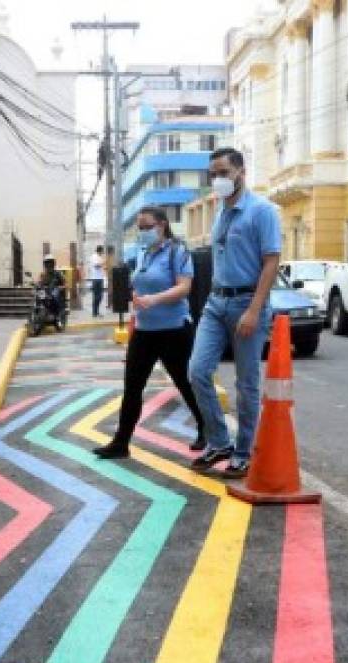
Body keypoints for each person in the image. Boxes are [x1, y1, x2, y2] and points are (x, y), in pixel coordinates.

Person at [187, 147, 282, 479]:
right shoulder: (220, 212)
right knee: (197, 371)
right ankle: (218, 442)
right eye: (212, 174)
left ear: (241, 172)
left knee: (246, 384)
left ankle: (243, 452)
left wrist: (255, 310)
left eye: (223, 173)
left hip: (246, 303)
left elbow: (271, 261)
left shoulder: (262, 211)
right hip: (215, 303)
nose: (217, 180)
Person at [94, 208, 206, 460]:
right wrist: (135, 296)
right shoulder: (144, 254)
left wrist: (153, 299)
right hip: (144, 332)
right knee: (132, 386)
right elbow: (140, 283)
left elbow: (184, 288)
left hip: (174, 330)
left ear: (162, 225)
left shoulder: (178, 251)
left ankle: (205, 428)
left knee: (185, 383)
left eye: (147, 227)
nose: (143, 233)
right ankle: (121, 442)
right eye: (140, 228)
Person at [37, 254, 66, 320]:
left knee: (54, 295)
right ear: (45, 265)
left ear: (53, 264)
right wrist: (36, 285)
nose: (49, 265)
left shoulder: (58, 274)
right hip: (46, 291)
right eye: (47, 263)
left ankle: (58, 313)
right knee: (39, 296)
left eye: (50, 263)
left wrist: (61, 287)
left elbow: (65, 283)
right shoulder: (43, 274)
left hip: (55, 291)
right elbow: (39, 282)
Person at [89, 245, 107, 316]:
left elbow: (101, 266)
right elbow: (96, 266)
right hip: (96, 279)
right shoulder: (94, 257)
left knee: (100, 296)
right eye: (102, 251)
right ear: (100, 251)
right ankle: (94, 312)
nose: (103, 252)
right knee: (97, 296)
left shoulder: (100, 257)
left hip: (100, 278)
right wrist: (103, 262)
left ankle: (96, 311)